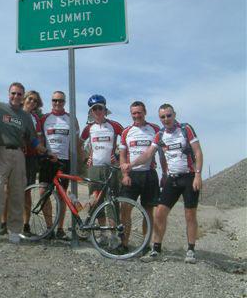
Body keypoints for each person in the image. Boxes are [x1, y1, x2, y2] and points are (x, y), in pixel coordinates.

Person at [121, 103, 203, 263]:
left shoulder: (186, 129)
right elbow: (148, 154)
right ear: (160, 118)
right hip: (172, 179)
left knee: (190, 215)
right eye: (163, 117)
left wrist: (198, 175)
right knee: (159, 214)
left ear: (174, 114)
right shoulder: (159, 135)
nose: (166, 119)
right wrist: (130, 166)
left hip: (189, 177)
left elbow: (198, 152)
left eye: (169, 115)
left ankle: (191, 250)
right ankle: (156, 249)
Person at [0, 82, 45, 243]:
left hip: (19, 155)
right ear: (9, 93)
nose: (16, 96)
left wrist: (42, 149)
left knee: (18, 193)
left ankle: (14, 230)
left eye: (19, 94)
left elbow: (32, 138)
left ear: (22, 96)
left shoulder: (26, 117)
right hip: (1, 151)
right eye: (13, 93)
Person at [119, 101, 167, 251]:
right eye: (134, 113)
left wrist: (165, 173)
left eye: (139, 112)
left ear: (145, 112)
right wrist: (125, 174)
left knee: (148, 211)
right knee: (125, 209)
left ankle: (145, 245)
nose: (137, 115)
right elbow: (122, 156)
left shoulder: (155, 129)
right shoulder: (126, 132)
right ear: (131, 114)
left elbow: (162, 154)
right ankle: (124, 244)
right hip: (131, 175)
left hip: (149, 174)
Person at [0, 90, 44, 237]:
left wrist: (43, 151)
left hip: (30, 158)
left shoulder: (36, 118)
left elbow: (37, 139)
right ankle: (3, 223)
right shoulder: (13, 112)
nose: (32, 102)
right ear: (24, 99)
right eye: (30, 99)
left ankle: (25, 225)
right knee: (8, 190)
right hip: (13, 154)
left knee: (27, 192)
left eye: (35, 101)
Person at [39, 90, 79, 240]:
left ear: (65, 102)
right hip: (48, 160)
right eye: (55, 100)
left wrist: (80, 161)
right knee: (43, 193)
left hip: (64, 161)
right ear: (51, 101)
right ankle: (50, 227)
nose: (57, 103)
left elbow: (77, 142)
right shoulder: (44, 118)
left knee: (62, 196)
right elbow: (40, 139)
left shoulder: (71, 119)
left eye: (60, 101)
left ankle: (60, 229)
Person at [80, 94, 123, 202]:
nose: (98, 111)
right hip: (94, 168)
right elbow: (78, 144)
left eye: (100, 108)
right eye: (94, 108)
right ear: (91, 111)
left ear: (105, 110)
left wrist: (119, 158)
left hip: (111, 168)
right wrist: (86, 158)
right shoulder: (88, 128)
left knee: (112, 203)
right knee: (95, 203)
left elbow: (126, 141)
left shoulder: (115, 125)